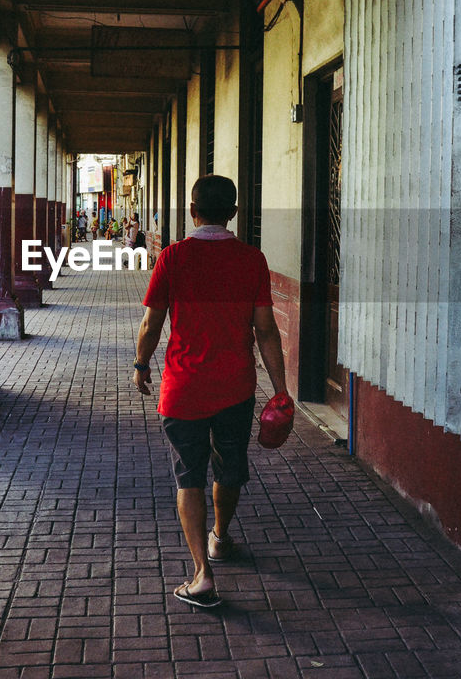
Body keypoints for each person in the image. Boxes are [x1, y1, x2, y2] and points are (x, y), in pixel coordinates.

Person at [132, 174, 288, 609]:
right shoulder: (252, 260)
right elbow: (266, 330)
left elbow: (151, 323)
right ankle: (220, 537)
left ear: (192, 212)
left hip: (183, 390)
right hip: (236, 388)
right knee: (229, 467)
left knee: (190, 476)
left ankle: (202, 573)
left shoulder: (173, 257)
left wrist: (142, 365)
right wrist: (282, 390)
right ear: (234, 213)